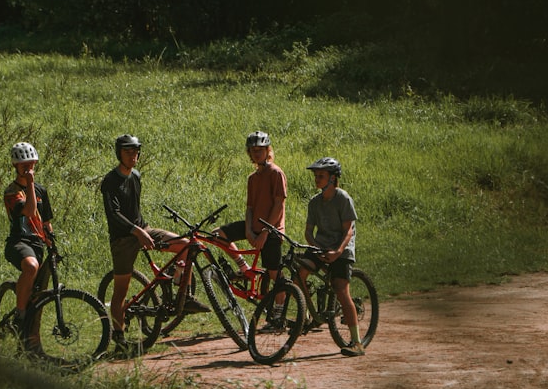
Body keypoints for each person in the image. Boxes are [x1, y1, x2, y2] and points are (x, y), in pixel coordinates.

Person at [100, 134, 207, 350]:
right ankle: (119, 335)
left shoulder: (136, 176)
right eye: (128, 151)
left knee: (186, 246)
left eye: (136, 151)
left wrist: (142, 231)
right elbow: (114, 214)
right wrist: (136, 232)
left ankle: (183, 296)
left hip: (144, 230)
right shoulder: (110, 181)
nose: (133, 155)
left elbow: (135, 210)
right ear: (119, 153)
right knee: (121, 290)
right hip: (123, 238)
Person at [301, 156, 365, 357]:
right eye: (316, 176)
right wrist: (316, 247)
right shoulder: (314, 202)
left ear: (333, 179)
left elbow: (349, 231)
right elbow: (309, 232)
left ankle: (357, 343)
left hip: (342, 250)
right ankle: (309, 314)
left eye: (321, 176)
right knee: (299, 273)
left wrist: (337, 252)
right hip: (320, 247)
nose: (317, 179)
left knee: (341, 290)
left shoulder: (343, 199)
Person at [212, 131, 287, 283]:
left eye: (260, 150)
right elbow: (250, 208)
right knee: (218, 235)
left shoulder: (276, 173)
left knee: (274, 274)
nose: (257, 153)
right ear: (249, 153)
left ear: (268, 151)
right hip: (254, 227)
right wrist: (248, 230)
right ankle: (244, 268)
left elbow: (279, 205)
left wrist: (265, 233)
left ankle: (280, 305)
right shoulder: (252, 178)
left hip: (271, 230)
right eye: (253, 151)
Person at [1, 141, 54, 353]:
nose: (28, 168)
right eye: (23, 165)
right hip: (19, 243)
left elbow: (46, 220)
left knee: (39, 296)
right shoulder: (11, 191)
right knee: (31, 267)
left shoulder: (41, 190)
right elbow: (31, 211)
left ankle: (32, 346)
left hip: (38, 244)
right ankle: (19, 315)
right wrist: (30, 184)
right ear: (15, 166)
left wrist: (51, 239)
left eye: (31, 164)